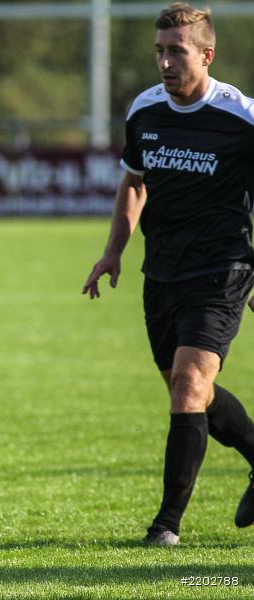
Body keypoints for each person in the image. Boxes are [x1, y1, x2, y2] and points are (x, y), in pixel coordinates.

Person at [83, 3, 254, 546]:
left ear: (206, 54)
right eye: (159, 51)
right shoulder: (145, 111)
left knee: (188, 385)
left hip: (224, 268)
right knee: (191, 392)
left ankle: (166, 527)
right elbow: (135, 183)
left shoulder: (242, 118)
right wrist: (113, 252)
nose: (164, 62)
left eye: (175, 51)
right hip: (162, 272)